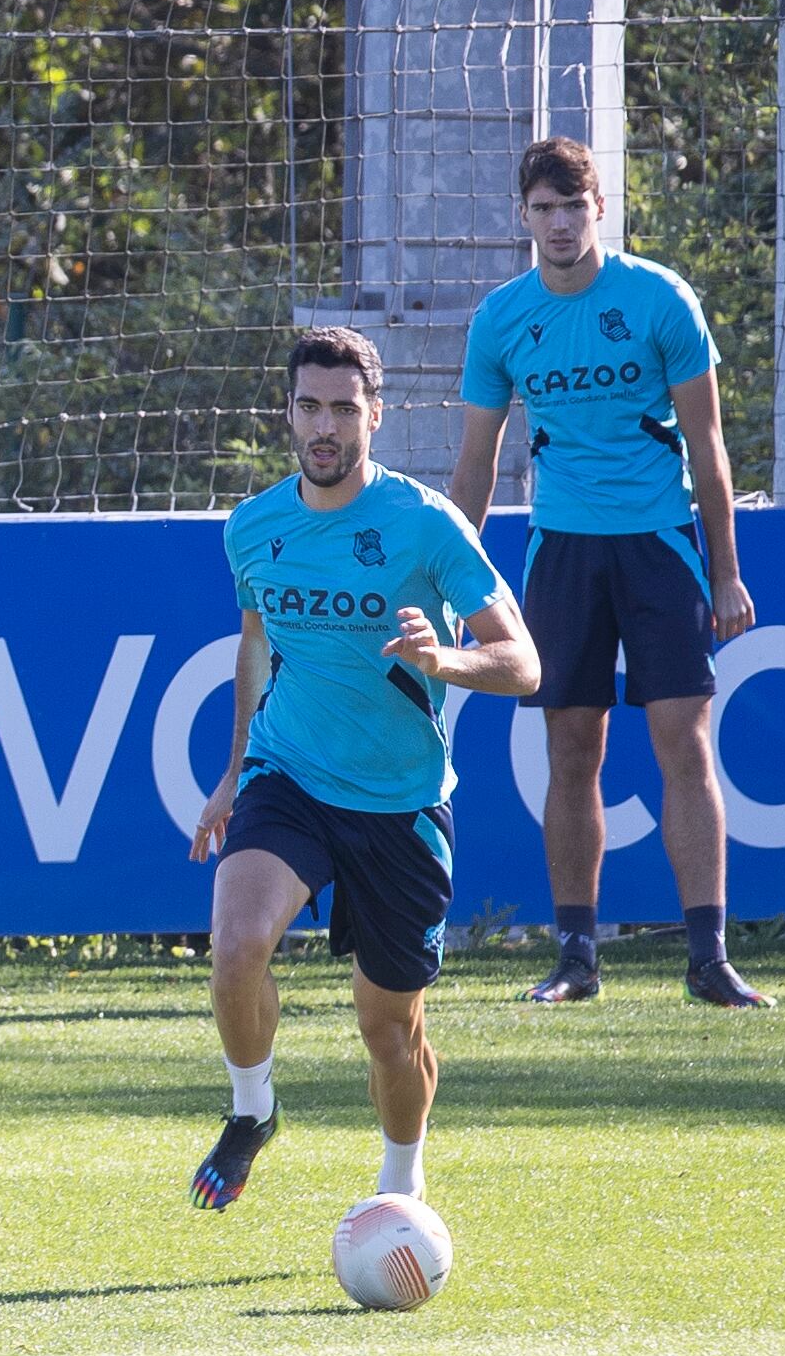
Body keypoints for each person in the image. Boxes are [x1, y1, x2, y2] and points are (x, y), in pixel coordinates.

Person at [189, 327, 540, 1214]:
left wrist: (446, 662)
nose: (325, 426)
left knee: (391, 1032)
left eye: (345, 409)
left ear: (375, 416)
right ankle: (251, 1110)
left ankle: (400, 1192)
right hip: (289, 775)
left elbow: (524, 662)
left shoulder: (426, 524)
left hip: (400, 802)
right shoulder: (253, 526)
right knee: (236, 946)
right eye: (310, 406)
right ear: (289, 413)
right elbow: (257, 649)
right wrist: (233, 773)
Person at [449, 135, 771, 1008]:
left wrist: (728, 571)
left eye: (574, 206)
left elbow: (709, 448)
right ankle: (576, 953)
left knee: (684, 742)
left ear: (601, 209)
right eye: (543, 209)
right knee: (571, 750)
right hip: (562, 551)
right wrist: (456, 582)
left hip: (660, 546)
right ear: (525, 216)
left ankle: (708, 956)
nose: (559, 224)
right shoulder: (502, 319)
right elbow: (475, 467)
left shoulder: (660, 298)